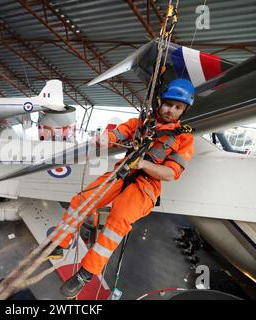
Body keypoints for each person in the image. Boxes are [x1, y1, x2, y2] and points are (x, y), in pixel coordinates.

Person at [50, 79, 196, 299]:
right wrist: (105, 139)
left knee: (117, 221)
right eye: (169, 104)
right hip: (121, 173)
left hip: (145, 186)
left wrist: (145, 164)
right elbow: (119, 134)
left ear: (184, 110)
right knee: (81, 201)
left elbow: (170, 174)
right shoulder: (143, 123)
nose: (171, 111)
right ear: (160, 102)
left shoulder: (184, 138)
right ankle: (59, 244)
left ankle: (85, 274)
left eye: (178, 107)